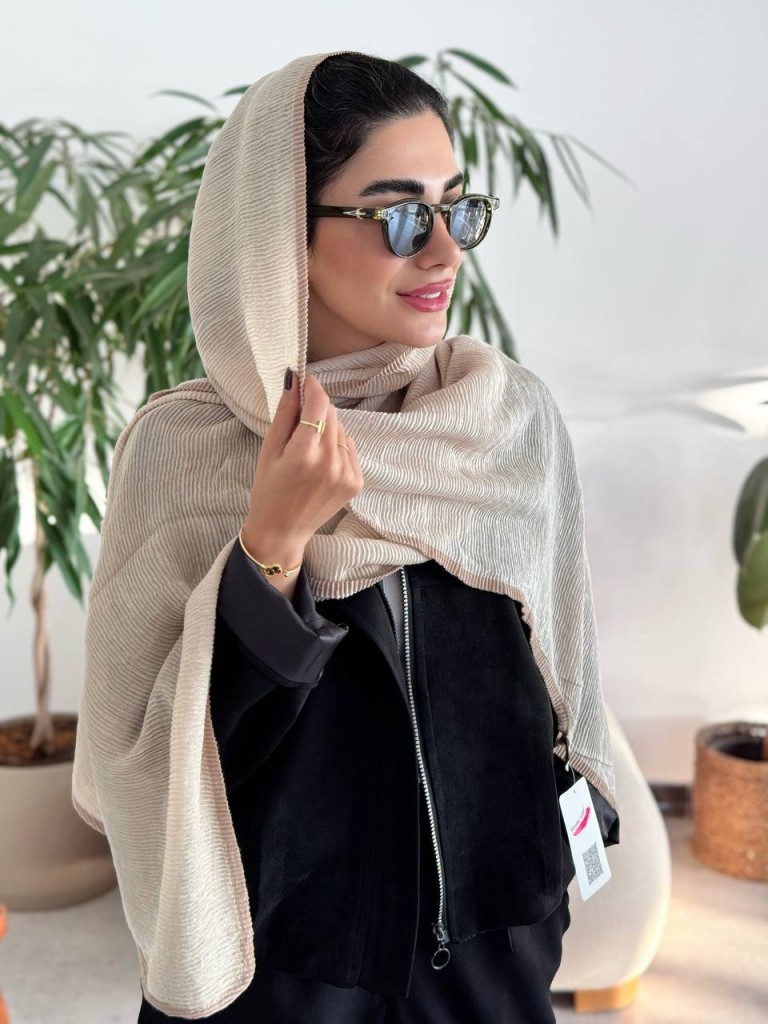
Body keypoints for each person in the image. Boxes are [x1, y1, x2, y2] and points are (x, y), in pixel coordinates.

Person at [72, 51, 619, 1024]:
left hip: (492, 952)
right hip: (284, 971)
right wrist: (271, 546)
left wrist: (547, 890)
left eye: (457, 209)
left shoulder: (504, 421)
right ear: (285, 230)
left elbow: (560, 670)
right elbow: (152, 762)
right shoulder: (185, 451)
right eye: (402, 217)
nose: (445, 253)